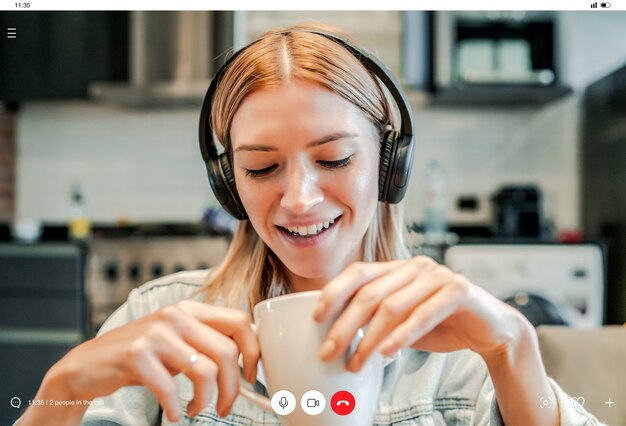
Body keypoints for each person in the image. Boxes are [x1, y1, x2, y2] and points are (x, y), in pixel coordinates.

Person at [18, 23, 603, 426]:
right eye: (261, 167)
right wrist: (61, 388)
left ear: (388, 162)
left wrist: (512, 346)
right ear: (229, 185)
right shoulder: (158, 319)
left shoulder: (461, 342)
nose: (298, 199)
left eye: (334, 160)